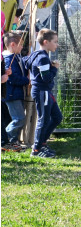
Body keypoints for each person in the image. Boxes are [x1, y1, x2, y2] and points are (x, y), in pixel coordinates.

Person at [23, 29, 62, 158]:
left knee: (57, 117)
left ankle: (42, 143)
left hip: (44, 91)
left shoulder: (36, 54)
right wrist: (54, 68)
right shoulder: (43, 58)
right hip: (42, 91)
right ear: (46, 42)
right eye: (55, 42)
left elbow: (26, 63)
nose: (57, 45)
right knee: (43, 120)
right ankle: (36, 150)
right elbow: (46, 78)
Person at [2, 32, 28, 147]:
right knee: (19, 119)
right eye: (21, 45)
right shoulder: (8, 59)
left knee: (16, 119)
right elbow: (13, 79)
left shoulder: (15, 57)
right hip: (12, 95)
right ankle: (5, 136)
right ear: (13, 44)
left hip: (16, 94)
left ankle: (12, 142)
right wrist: (27, 81)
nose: (22, 47)